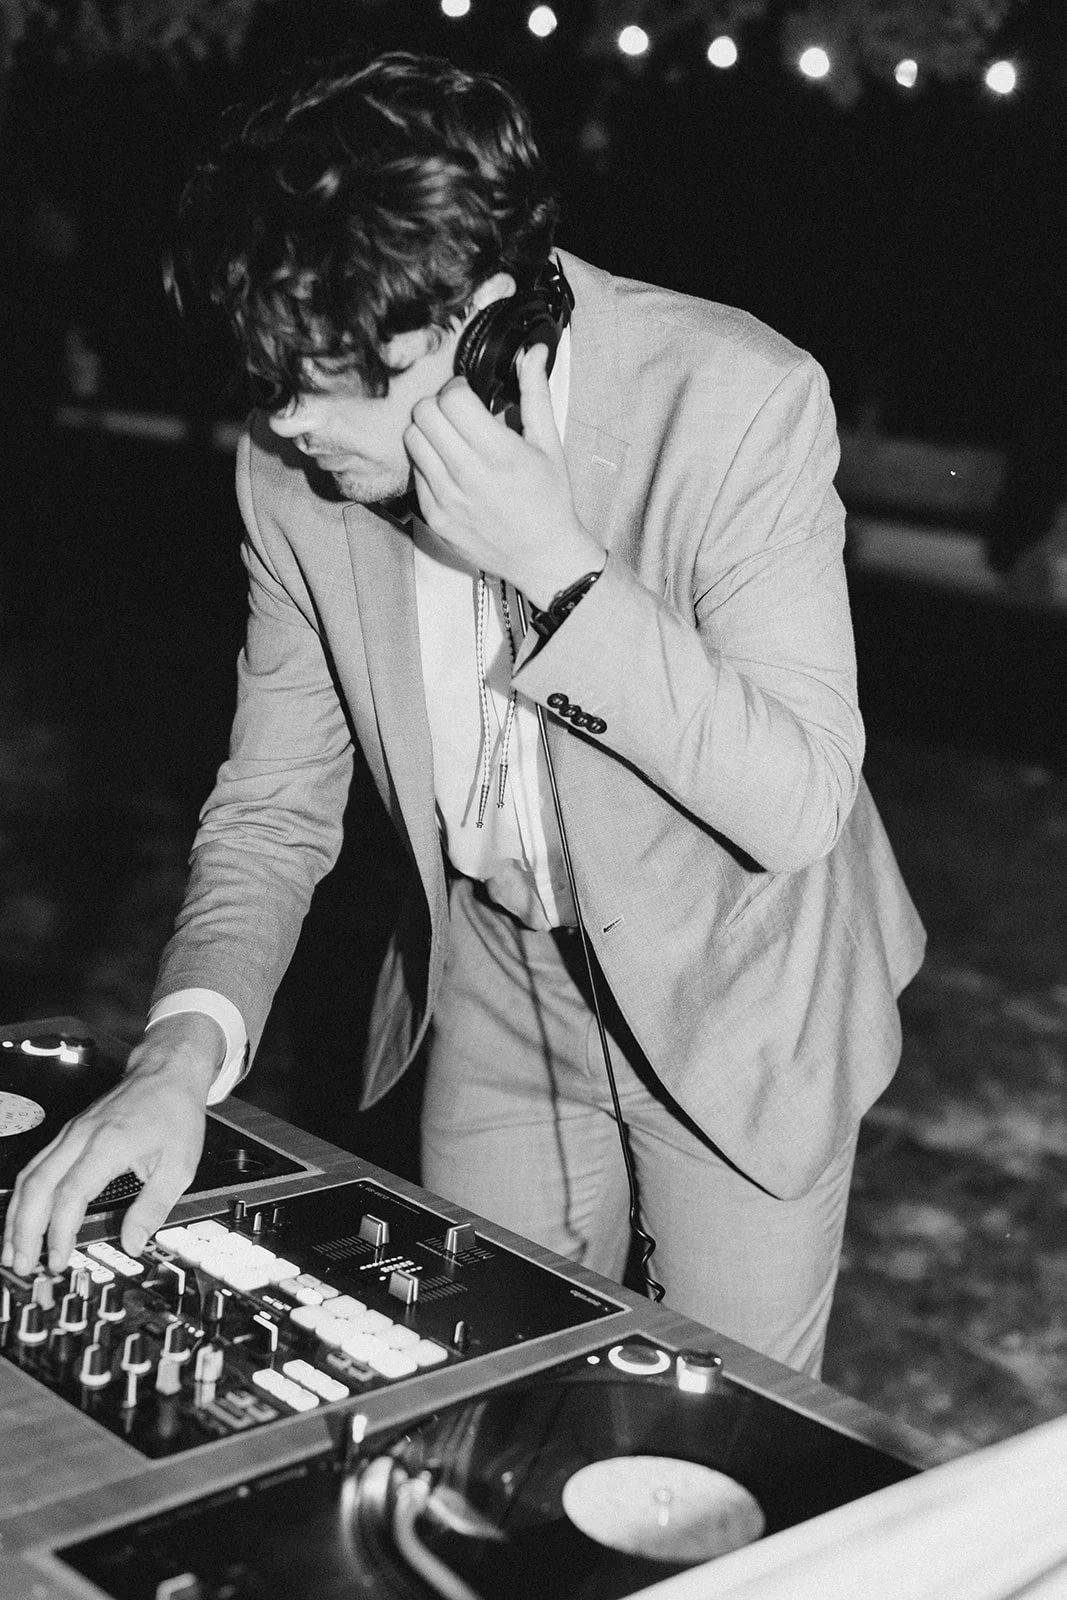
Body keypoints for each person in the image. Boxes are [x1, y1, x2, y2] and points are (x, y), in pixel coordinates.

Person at [2, 49, 925, 1377]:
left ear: (481, 323)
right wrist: (176, 1057)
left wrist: (558, 568)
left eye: (331, 382)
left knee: (713, 1451)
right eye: (269, 382)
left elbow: (795, 801)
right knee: (474, 1406)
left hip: (740, 999)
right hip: (491, 990)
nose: (290, 426)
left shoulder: (730, 398)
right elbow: (270, 809)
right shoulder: (289, 476)